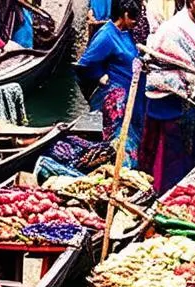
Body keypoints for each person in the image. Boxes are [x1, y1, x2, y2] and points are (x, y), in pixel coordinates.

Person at [139, 0, 195, 192]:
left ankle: (186, 186)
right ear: (190, 2)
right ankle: (166, 190)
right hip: (170, 101)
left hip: (192, 100)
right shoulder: (173, 29)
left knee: (190, 149)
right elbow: (159, 64)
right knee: (170, 152)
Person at [78, 0, 145, 166]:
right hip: (116, 100)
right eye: (134, 18)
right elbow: (84, 64)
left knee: (133, 135)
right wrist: (99, 75)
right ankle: (119, 169)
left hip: (132, 94)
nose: (136, 22)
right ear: (125, 15)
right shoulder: (106, 35)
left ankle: (129, 166)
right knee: (118, 138)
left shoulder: (126, 32)